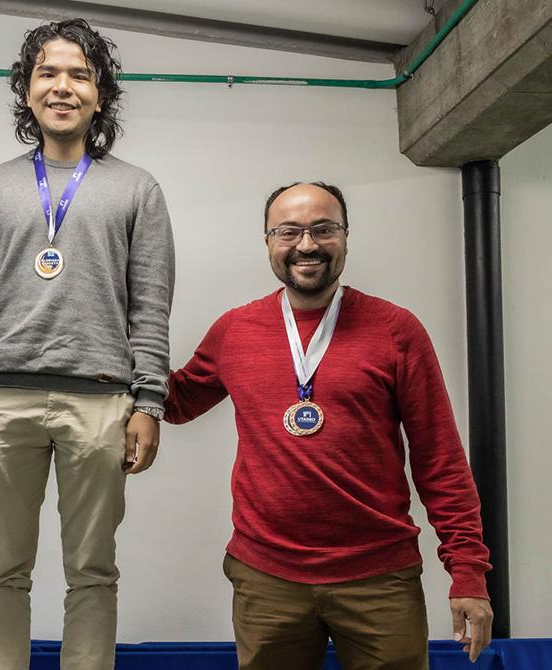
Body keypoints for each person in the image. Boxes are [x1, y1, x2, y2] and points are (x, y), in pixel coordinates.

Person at [164, 182, 493, 669]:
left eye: (323, 229)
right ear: (268, 241)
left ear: (345, 236)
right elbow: (176, 402)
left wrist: (468, 572)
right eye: (289, 231)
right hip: (267, 577)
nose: (307, 244)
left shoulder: (396, 330)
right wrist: (110, 339)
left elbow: (440, 459)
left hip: (379, 578)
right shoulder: (235, 331)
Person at [0, 18, 174, 670]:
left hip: (100, 401)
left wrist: (149, 403)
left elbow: (151, 308)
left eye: (79, 74)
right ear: (27, 89)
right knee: (1, 569)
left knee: (92, 570)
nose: (62, 86)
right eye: (48, 73)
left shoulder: (138, 189)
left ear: (100, 94)